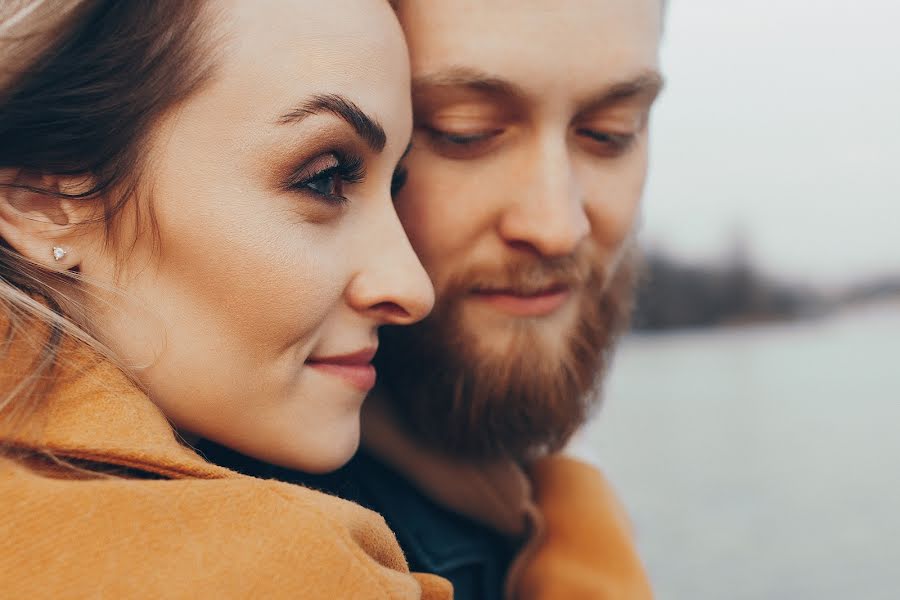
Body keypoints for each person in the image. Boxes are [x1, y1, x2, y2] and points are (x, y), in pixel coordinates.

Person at [201, 1, 666, 598]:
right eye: (463, 132)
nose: (557, 225)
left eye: (610, 133)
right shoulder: (257, 556)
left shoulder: (540, 507)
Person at [0, 0, 442, 597]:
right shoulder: (276, 568)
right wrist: (565, 505)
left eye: (395, 184)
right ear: (42, 201)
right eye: (325, 177)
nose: (411, 287)